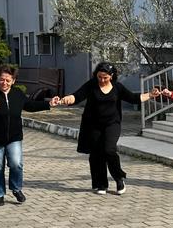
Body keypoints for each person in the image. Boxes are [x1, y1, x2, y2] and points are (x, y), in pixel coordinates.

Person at [60, 62, 157, 195]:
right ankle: (100, 184)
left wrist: (150, 95)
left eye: (105, 77)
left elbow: (133, 98)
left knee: (109, 150)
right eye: (99, 77)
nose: (102, 80)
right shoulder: (92, 85)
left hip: (112, 124)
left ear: (111, 76)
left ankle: (119, 178)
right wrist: (67, 99)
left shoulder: (118, 87)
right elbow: (77, 96)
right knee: (96, 154)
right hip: (93, 125)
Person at [0, 64, 59, 206]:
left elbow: (30, 105)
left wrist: (48, 104)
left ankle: (16, 189)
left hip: (14, 137)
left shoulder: (17, 94)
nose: (4, 83)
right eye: (1, 79)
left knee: (16, 164)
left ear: (13, 81)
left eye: (8, 80)